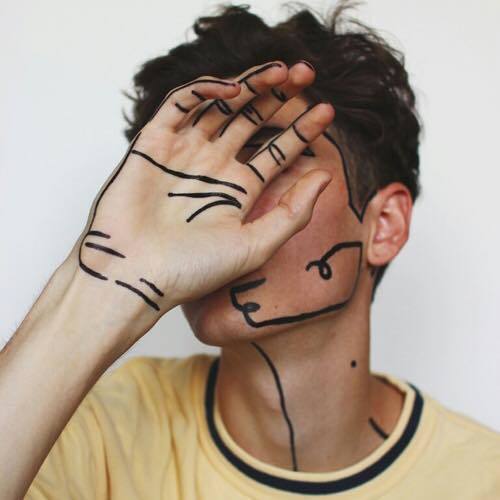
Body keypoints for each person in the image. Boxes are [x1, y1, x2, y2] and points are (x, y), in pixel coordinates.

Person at [1, 3, 499, 499]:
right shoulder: (81, 435)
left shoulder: (483, 479)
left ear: (384, 225)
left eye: (270, 161)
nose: (215, 209)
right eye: (191, 183)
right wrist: (99, 287)